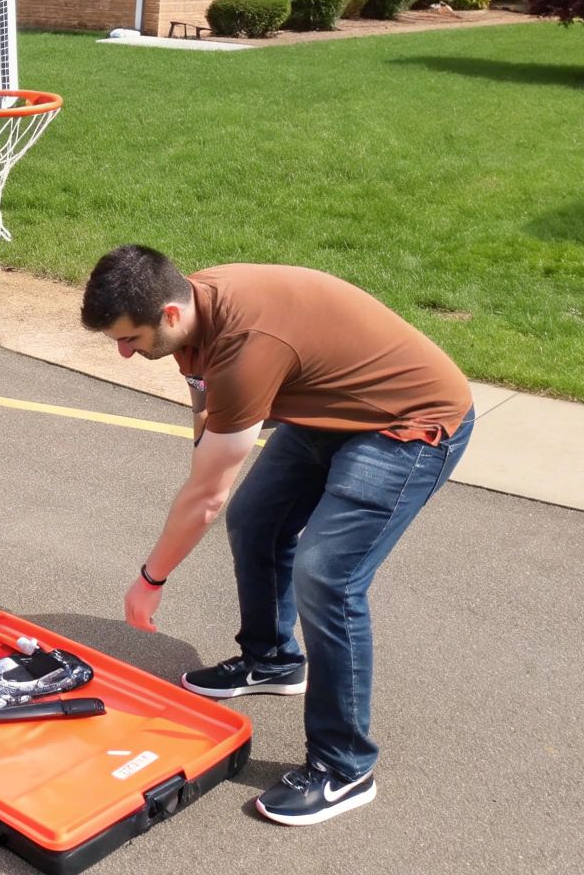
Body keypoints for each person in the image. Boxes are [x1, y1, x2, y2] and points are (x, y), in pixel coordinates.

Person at [79, 245, 475, 826]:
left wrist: (151, 578)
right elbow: (206, 408)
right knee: (257, 520)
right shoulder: (189, 309)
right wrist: (208, 453)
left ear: (166, 314)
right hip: (331, 408)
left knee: (326, 575)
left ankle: (345, 769)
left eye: (128, 339)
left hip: (408, 423)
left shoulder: (245, 346)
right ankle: (272, 660)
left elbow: (208, 495)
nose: (122, 352)